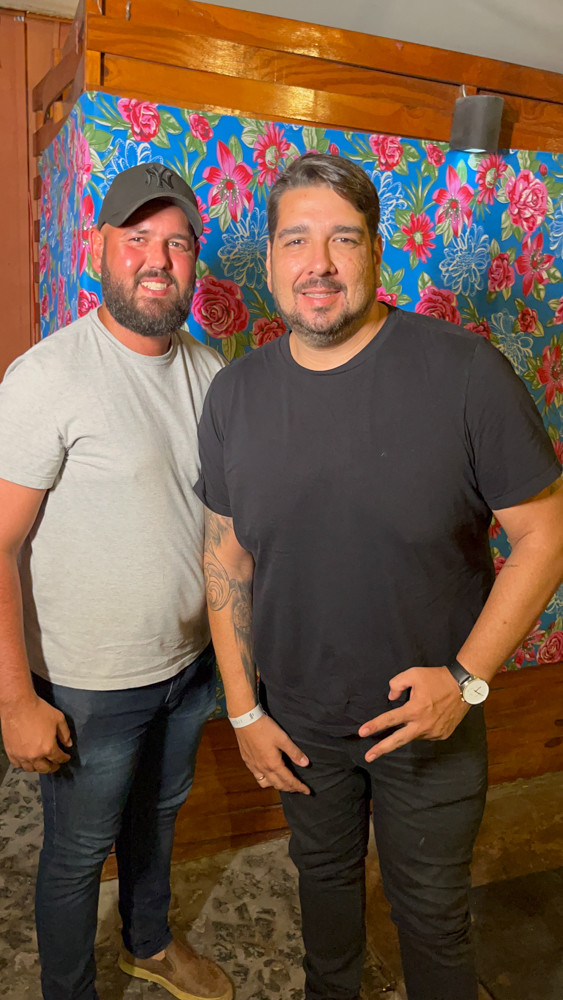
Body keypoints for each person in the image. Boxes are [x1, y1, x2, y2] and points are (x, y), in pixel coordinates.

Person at [194, 153, 563, 1000]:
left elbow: (544, 537)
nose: (317, 263)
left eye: (342, 239)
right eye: (296, 240)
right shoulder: (235, 395)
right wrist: (244, 710)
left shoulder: (464, 373)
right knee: (323, 901)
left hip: (427, 721)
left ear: (374, 252)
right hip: (296, 723)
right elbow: (224, 558)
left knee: (431, 922)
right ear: (270, 259)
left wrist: (464, 682)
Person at [0, 163, 232, 1000]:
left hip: (188, 666)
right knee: (75, 852)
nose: (158, 259)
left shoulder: (212, 371)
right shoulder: (48, 377)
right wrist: (14, 701)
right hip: (88, 682)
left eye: (177, 242)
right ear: (98, 247)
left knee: (158, 818)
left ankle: (148, 943)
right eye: (138, 238)